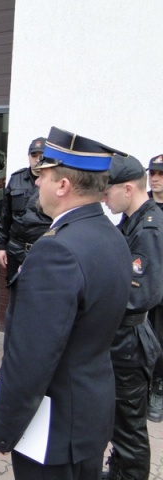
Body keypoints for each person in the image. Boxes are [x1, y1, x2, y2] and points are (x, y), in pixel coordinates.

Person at [0, 127, 133, 480]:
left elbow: (31, 359)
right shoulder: (111, 235)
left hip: (54, 431)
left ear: (62, 185)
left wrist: (1, 428)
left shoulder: (56, 251)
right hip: (88, 417)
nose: (36, 182)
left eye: (43, 175)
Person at [101, 153, 163, 480]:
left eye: (107, 190)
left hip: (130, 343)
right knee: (119, 421)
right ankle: (118, 472)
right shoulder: (131, 219)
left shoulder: (149, 227)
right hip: (121, 339)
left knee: (129, 428)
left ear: (127, 189)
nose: (103, 198)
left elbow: (140, 295)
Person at [0, 137, 51, 283]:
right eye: (34, 155)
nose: (37, 160)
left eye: (42, 155)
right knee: (14, 289)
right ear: (28, 156)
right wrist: (1, 246)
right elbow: (5, 216)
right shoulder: (16, 179)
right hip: (15, 250)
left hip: (43, 251)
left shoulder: (55, 182)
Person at [147, 153, 163, 423]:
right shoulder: (142, 203)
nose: (156, 179)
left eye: (161, 174)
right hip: (142, 284)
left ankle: (158, 387)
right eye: (153, 174)